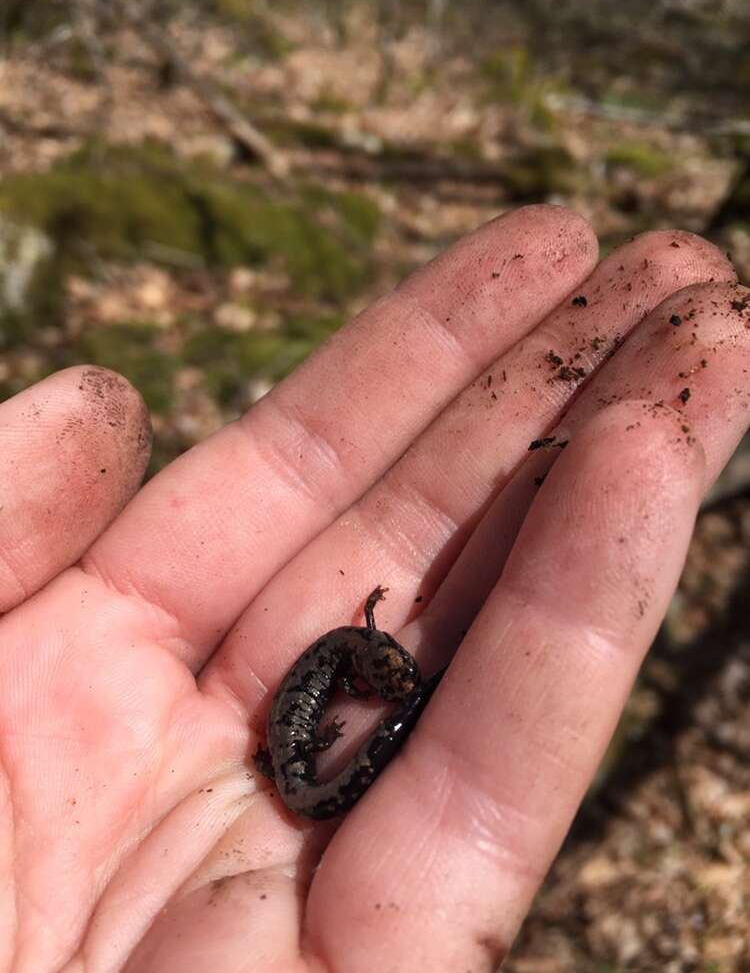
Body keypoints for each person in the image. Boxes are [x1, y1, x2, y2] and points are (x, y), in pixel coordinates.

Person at [0, 205, 746, 971]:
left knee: (327, 754)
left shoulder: (346, 655)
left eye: (388, 677)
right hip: (295, 770)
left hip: (297, 762)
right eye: (387, 678)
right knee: (335, 755)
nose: (386, 686)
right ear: (365, 665)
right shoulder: (343, 663)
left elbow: (349, 666)